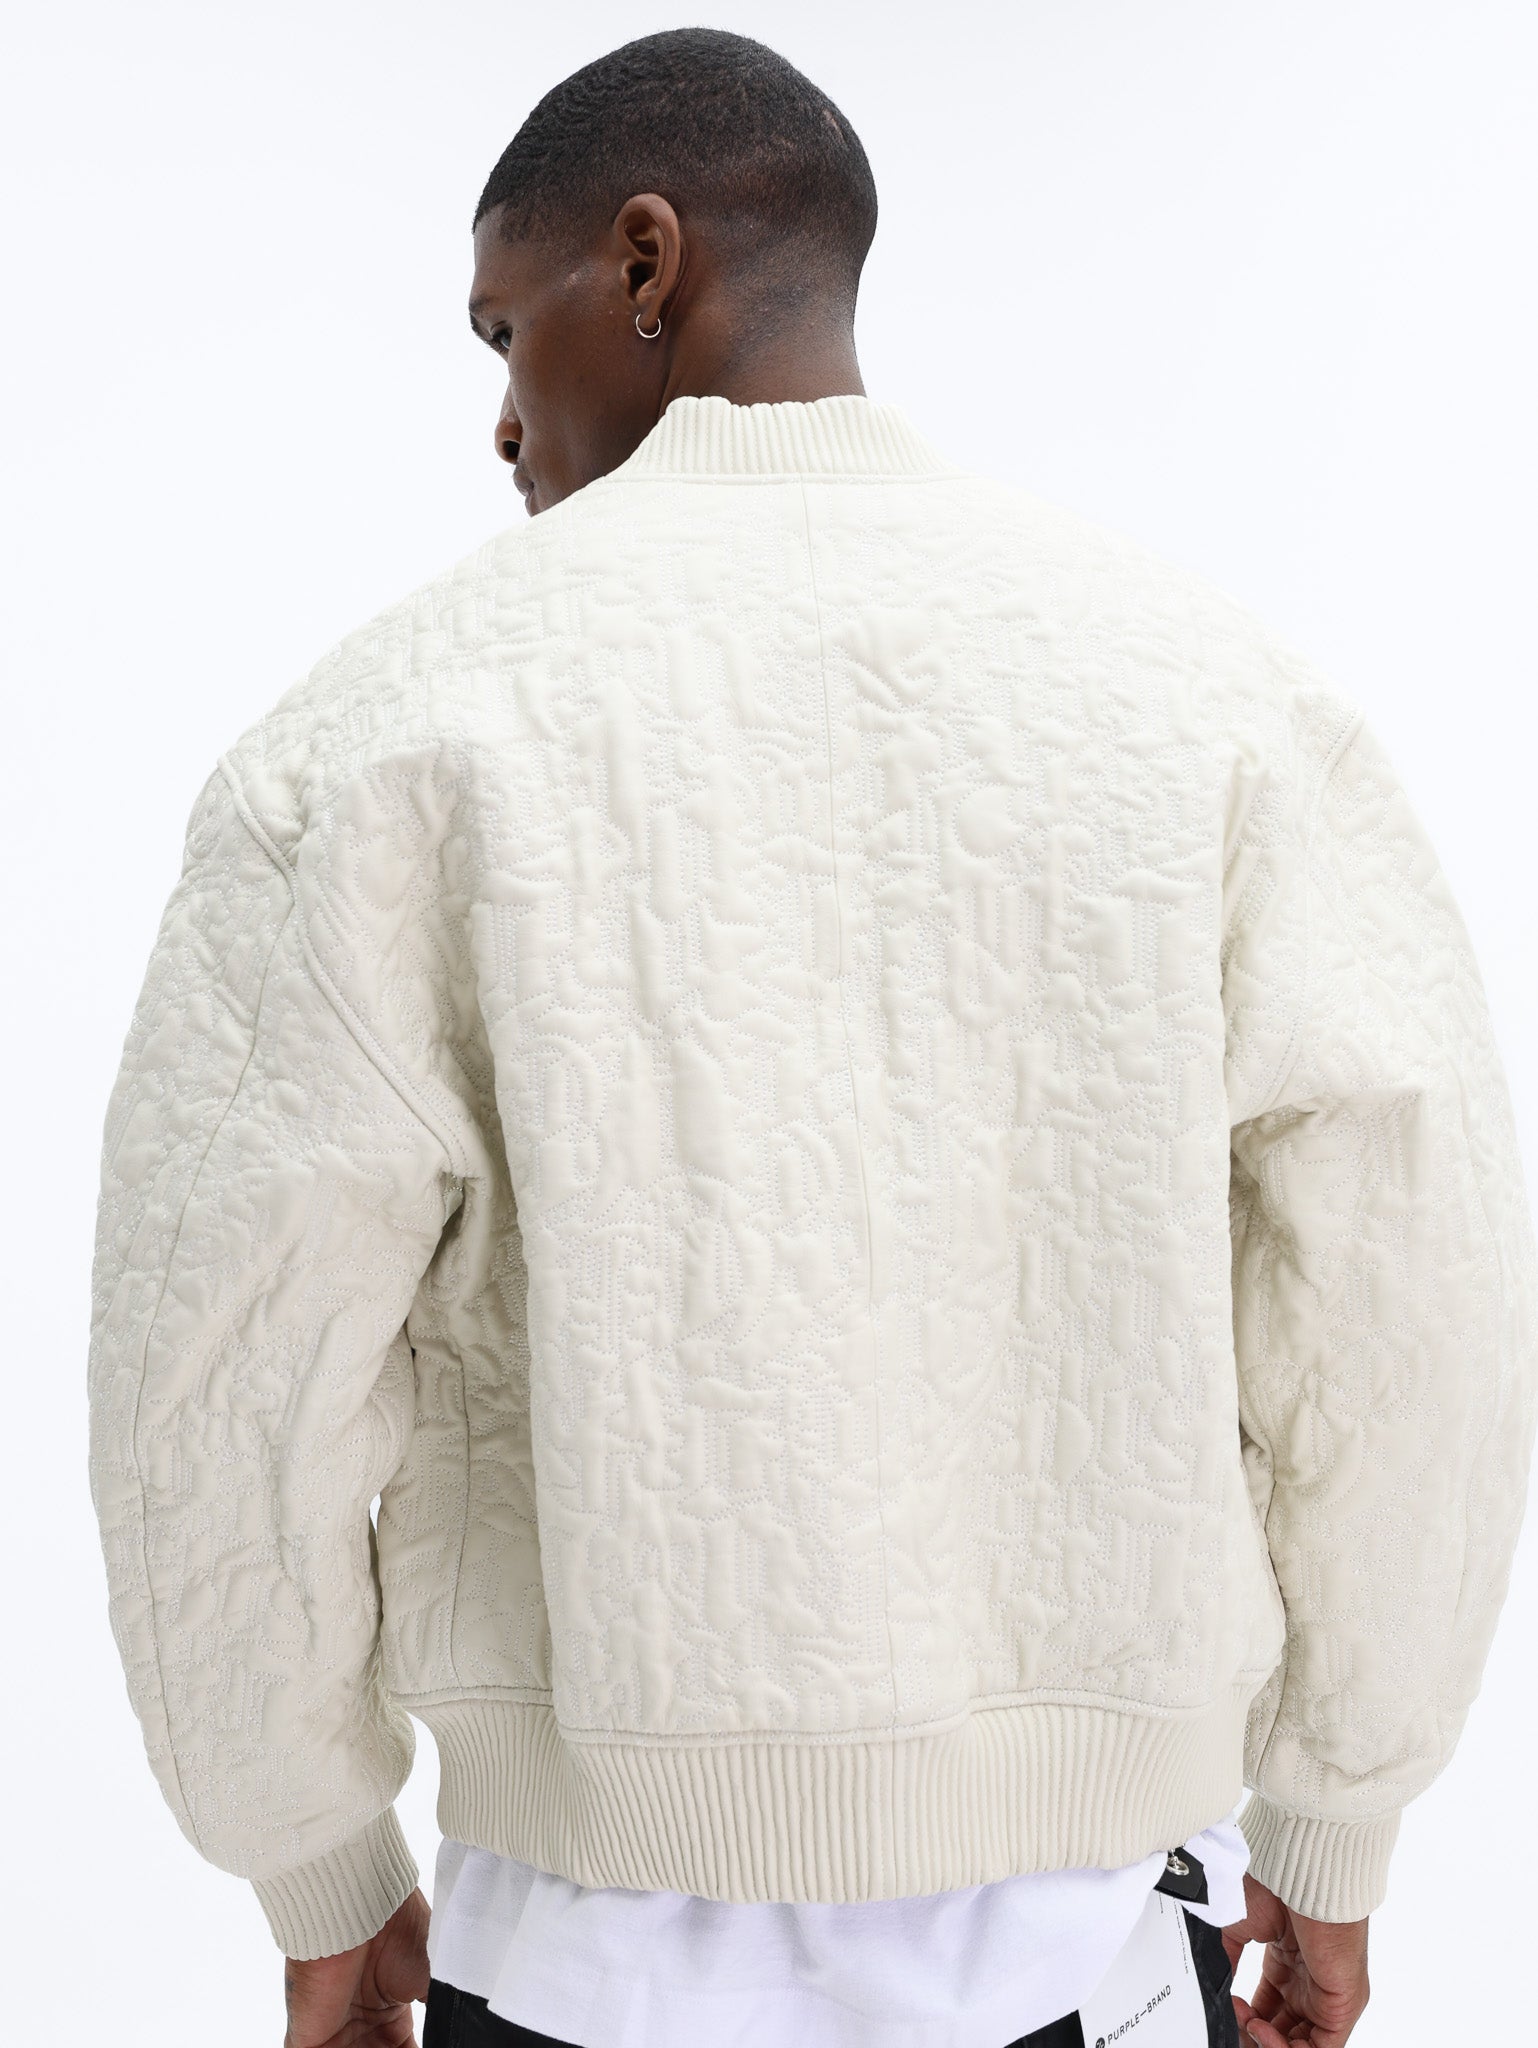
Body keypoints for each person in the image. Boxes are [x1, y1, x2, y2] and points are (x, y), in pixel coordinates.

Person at [83, 26, 1538, 2048]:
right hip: (1097, 1953)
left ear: (647, 260)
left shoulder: (377, 743)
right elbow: (1406, 1295)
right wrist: (1339, 1808)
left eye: (505, 330)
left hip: (572, 1956)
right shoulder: (1210, 701)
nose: (500, 420)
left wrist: (312, 1853)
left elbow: (216, 1360)